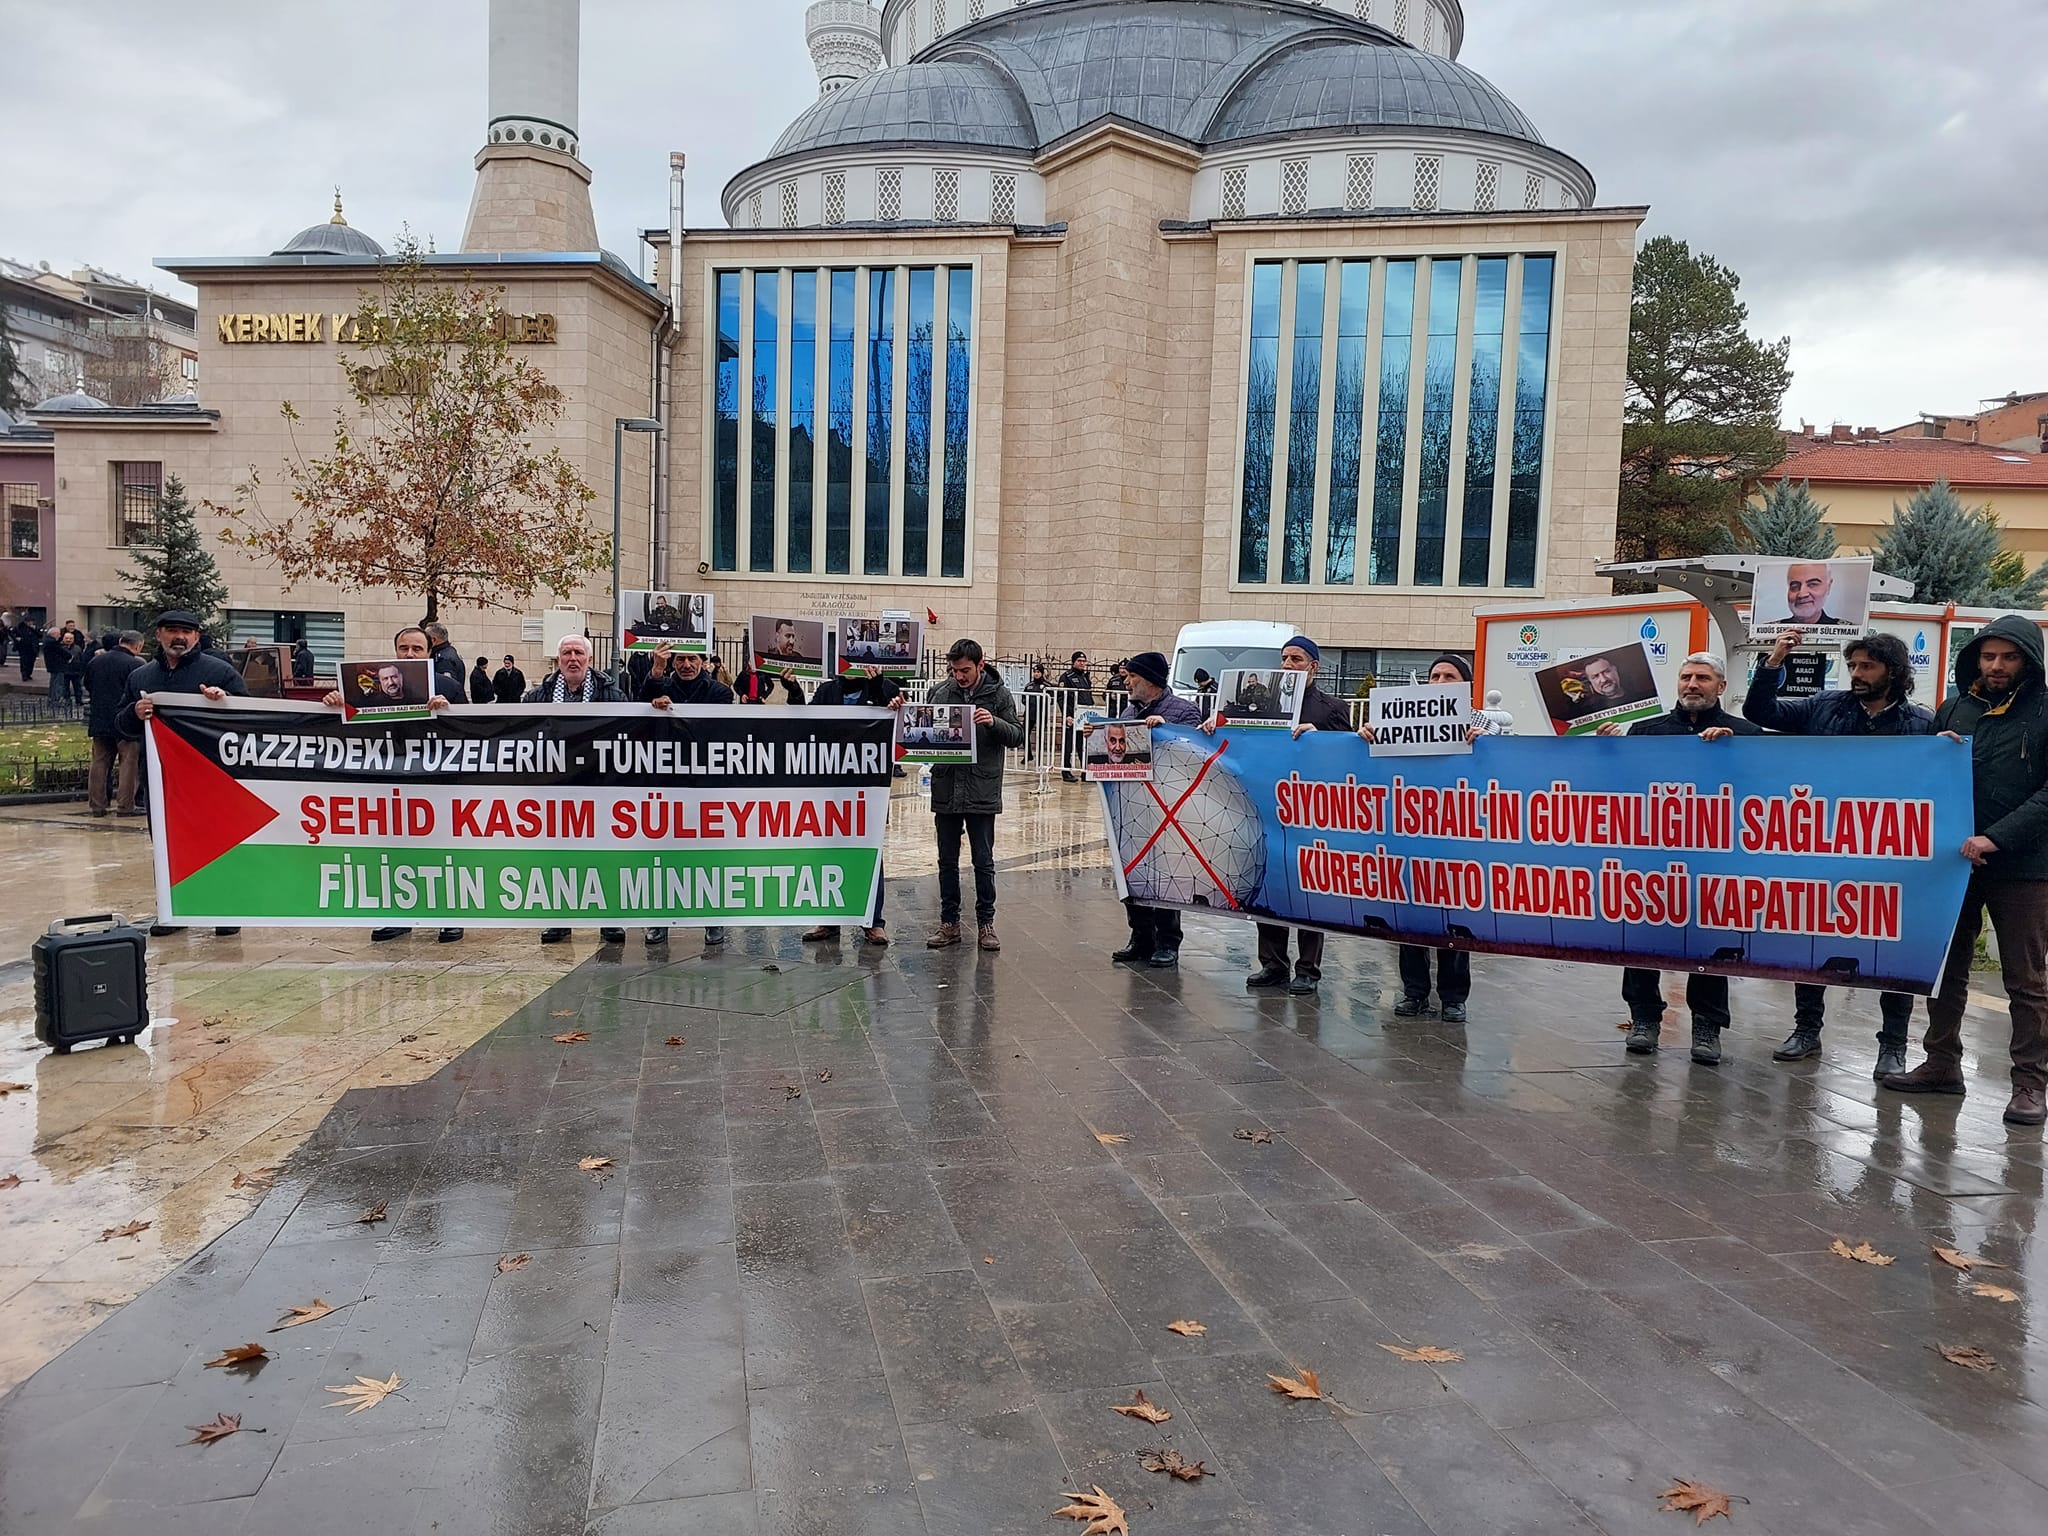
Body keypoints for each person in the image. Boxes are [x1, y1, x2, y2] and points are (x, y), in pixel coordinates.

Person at [1744, 629, 1933, 1077]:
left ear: (1894, 670)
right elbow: (1760, 711)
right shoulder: (1825, 706)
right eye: (1852, 666)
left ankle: (1893, 1046)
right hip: (1825, 847)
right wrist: (1776, 659)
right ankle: (1806, 1030)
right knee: (1815, 941)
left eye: (1867, 666)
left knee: (1894, 950)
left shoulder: (1920, 723)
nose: (1857, 674)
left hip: (1890, 854)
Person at [1883, 617, 2048, 1125]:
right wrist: (1938, 754)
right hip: (1954, 863)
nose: (1996, 666)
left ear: (2030, 660)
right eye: (1988, 656)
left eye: (2009, 657)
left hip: (2024, 865)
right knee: (1946, 968)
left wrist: (1997, 838)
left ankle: (2030, 1083)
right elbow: (1924, 783)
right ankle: (1941, 1063)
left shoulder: (2045, 712)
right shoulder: (1955, 709)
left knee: (2026, 980)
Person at [1601, 653, 1760, 1064]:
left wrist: (1733, 752)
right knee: (1642, 938)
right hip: (1653, 857)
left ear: (1720, 687)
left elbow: (1765, 790)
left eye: (1703, 678)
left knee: (1712, 944)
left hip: (1716, 861)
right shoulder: (1646, 732)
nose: (1692, 684)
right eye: (1686, 676)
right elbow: (1619, 786)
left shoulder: (1745, 735)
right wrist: (1604, 751)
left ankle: (1707, 1027)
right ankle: (1643, 1019)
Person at [1205, 635, 1349, 994]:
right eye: (1284, 658)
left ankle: (1308, 969)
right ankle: (1272, 963)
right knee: (1267, 885)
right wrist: (1213, 726)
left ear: (1313, 667)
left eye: (1296, 659)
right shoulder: (1262, 701)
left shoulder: (1331, 708)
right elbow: (1237, 739)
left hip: (1310, 812)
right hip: (1266, 807)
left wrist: (1320, 738)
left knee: (1308, 893)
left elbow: (1348, 756)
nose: (1287, 665)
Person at [120, 609, 249, 937]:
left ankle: (227, 909)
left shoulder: (219, 671)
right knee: (166, 844)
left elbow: (249, 718)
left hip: (211, 779)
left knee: (217, 845)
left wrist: (226, 702)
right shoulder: (141, 677)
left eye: (187, 632)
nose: (180, 637)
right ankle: (174, 909)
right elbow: (120, 725)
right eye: (172, 631)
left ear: (197, 636)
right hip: (163, 781)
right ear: (159, 634)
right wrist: (134, 713)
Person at [1368, 654, 1482, 1022]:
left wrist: (1486, 745)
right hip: (1410, 830)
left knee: (1453, 919)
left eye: (1449, 675)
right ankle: (1414, 992)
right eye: (1434, 675)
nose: (1439, 681)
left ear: (1465, 685)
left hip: (1456, 833)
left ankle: (1453, 997)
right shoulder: (1401, 717)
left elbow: (1504, 766)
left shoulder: (1480, 723)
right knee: (1410, 915)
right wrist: (1365, 738)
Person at [1087, 650, 1204, 967]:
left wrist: (1167, 731)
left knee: (1166, 874)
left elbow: (1196, 752)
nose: (1126, 681)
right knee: (1132, 873)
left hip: (1168, 808)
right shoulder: (1129, 711)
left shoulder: (1184, 711)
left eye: (1132, 677)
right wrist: (1095, 736)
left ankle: (1168, 941)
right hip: (1132, 807)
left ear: (1149, 679)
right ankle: (1140, 937)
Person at [523, 634, 630, 947]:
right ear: (558, 660)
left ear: (590, 659)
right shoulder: (538, 696)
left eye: (578, 653)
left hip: (599, 790)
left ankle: (609, 920)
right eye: (566, 653)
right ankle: (559, 920)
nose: (572, 658)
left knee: (604, 857)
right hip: (554, 791)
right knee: (557, 858)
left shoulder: (612, 694)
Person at [921, 638, 1023, 950]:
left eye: (965, 670)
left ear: (981, 665)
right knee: (946, 860)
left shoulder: (999, 694)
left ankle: (986, 924)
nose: (959, 676)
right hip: (947, 785)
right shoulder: (940, 692)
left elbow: (1017, 735)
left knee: (983, 860)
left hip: (982, 787)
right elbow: (922, 731)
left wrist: (993, 722)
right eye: (954, 670)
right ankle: (949, 922)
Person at [803, 663, 902, 947]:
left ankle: (873, 921)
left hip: (868, 788)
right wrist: (795, 692)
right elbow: (804, 722)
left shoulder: (886, 688)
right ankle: (829, 920)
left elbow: (896, 723)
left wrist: (884, 693)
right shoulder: (826, 691)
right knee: (827, 851)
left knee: (869, 852)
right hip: (831, 785)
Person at [86, 629, 145, 816]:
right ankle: (125, 806)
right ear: (138, 646)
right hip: (125, 720)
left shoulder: (96, 661)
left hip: (99, 718)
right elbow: (139, 691)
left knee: (100, 762)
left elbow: (87, 683)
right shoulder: (134, 665)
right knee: (129, 763)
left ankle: (97, 805)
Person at [1057, 650, 1095, 782]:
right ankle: (1066, 771)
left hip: (1083, 717)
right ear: (1073, 662)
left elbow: (1088, 696)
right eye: (1079, 661)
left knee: (1083, 745)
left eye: (1084, 661)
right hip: (1071, 717)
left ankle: (1085, 772)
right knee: (1068, 745)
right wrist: (1066, 715)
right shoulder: (1067, 677)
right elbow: (1061, 698)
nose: (1082, 663)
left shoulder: (1085, 677)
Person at [1783, 561, 1843, 628]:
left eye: (1812, 584)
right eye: (1795, 586)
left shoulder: (1848, 631)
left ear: (1828, 586)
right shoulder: (1772, 632)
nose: (1802, 594)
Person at [421, 621, 467, 703]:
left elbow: (446, 689)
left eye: (425, 638)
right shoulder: (448, 652)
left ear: (433, 640)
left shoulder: (444, 659)